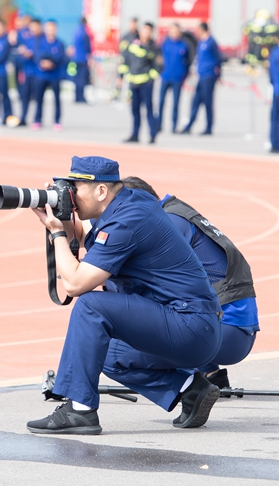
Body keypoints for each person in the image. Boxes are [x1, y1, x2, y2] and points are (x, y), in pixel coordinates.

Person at [26, 156, 223, 434]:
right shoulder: (133, 203)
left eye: (75, 189)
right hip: (193, 326)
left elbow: (75, 285)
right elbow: (93, 244)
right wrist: (63, 219)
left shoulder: (127, 221)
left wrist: (57, 233)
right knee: (106, 356)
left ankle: (80, 411)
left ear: (101, 191)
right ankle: (190, 389)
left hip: (189, 326)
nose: (70, 196)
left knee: (92, 305)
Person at [107, 176, 259, 390]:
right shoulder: (174, 214)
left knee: (111, 351)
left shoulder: (169, 224)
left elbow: (133, 285)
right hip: (231, 330)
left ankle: (189, 388)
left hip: (226, 333)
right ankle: (208, 372)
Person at [178, 22, 221, 136]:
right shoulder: (200, 42)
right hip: (201, 76)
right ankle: (189, 125)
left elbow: (218, 58)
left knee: (208, 102)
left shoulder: (211, 42)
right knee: (195, 101)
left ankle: (209, 127)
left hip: (209, 76)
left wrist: (218, 75)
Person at [121, 22, 161, 143]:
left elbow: (159, 65)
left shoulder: (154, 48)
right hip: (133, 83)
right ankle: (135, 134)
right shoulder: (133, 44)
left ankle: (153, 135)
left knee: (148, 109)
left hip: (146, 84)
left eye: (148, 31)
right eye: (144, 30)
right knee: (135, 110)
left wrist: (150, 79)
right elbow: (125, 60)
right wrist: (121, 76)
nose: (146, 33)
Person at [32, 19, 66, 131]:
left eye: (52, 28)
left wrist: (50, 63)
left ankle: (57, 121)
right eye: (48, 28)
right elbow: (37, 55)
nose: (50, 31)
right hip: (41, 75)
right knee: (39, 99)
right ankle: (37, 120)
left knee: (56, 99)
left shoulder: (60, 44)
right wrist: (42, 62)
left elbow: (59, 58)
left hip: (55, 76)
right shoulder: (39, 42)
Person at [158, 24, 190, 132]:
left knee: (176, 103)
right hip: (165, 76)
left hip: (177, 78)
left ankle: (174, 125)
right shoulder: (165, 44)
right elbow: (159, 59)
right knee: (161, 102)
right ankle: (158, 124)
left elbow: (188, 62)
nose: (174, 33)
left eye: (176, 31)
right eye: (173, 31)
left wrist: (184, 74)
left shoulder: (184, 45)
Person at [17, 18, 42, 127]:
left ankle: (37, 119)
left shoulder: (43, 40)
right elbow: (21, 57)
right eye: (32, 27)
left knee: (38, 97)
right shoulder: (27, 40)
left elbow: (44, 54)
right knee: (24, 96)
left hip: (39, 73)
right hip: (28, 72)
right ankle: (23, 117)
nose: (34, 29)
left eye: (36, 26)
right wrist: (23, 53)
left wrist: (33, 54)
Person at [69, 17, 92, 103]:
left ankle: (76, 96)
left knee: (77, 78)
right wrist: (89, 58)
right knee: (82, 79)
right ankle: (81, 97)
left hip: (76, 58)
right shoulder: (84, 33)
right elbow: (88, 47)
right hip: (82, 59)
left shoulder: (75, 32)